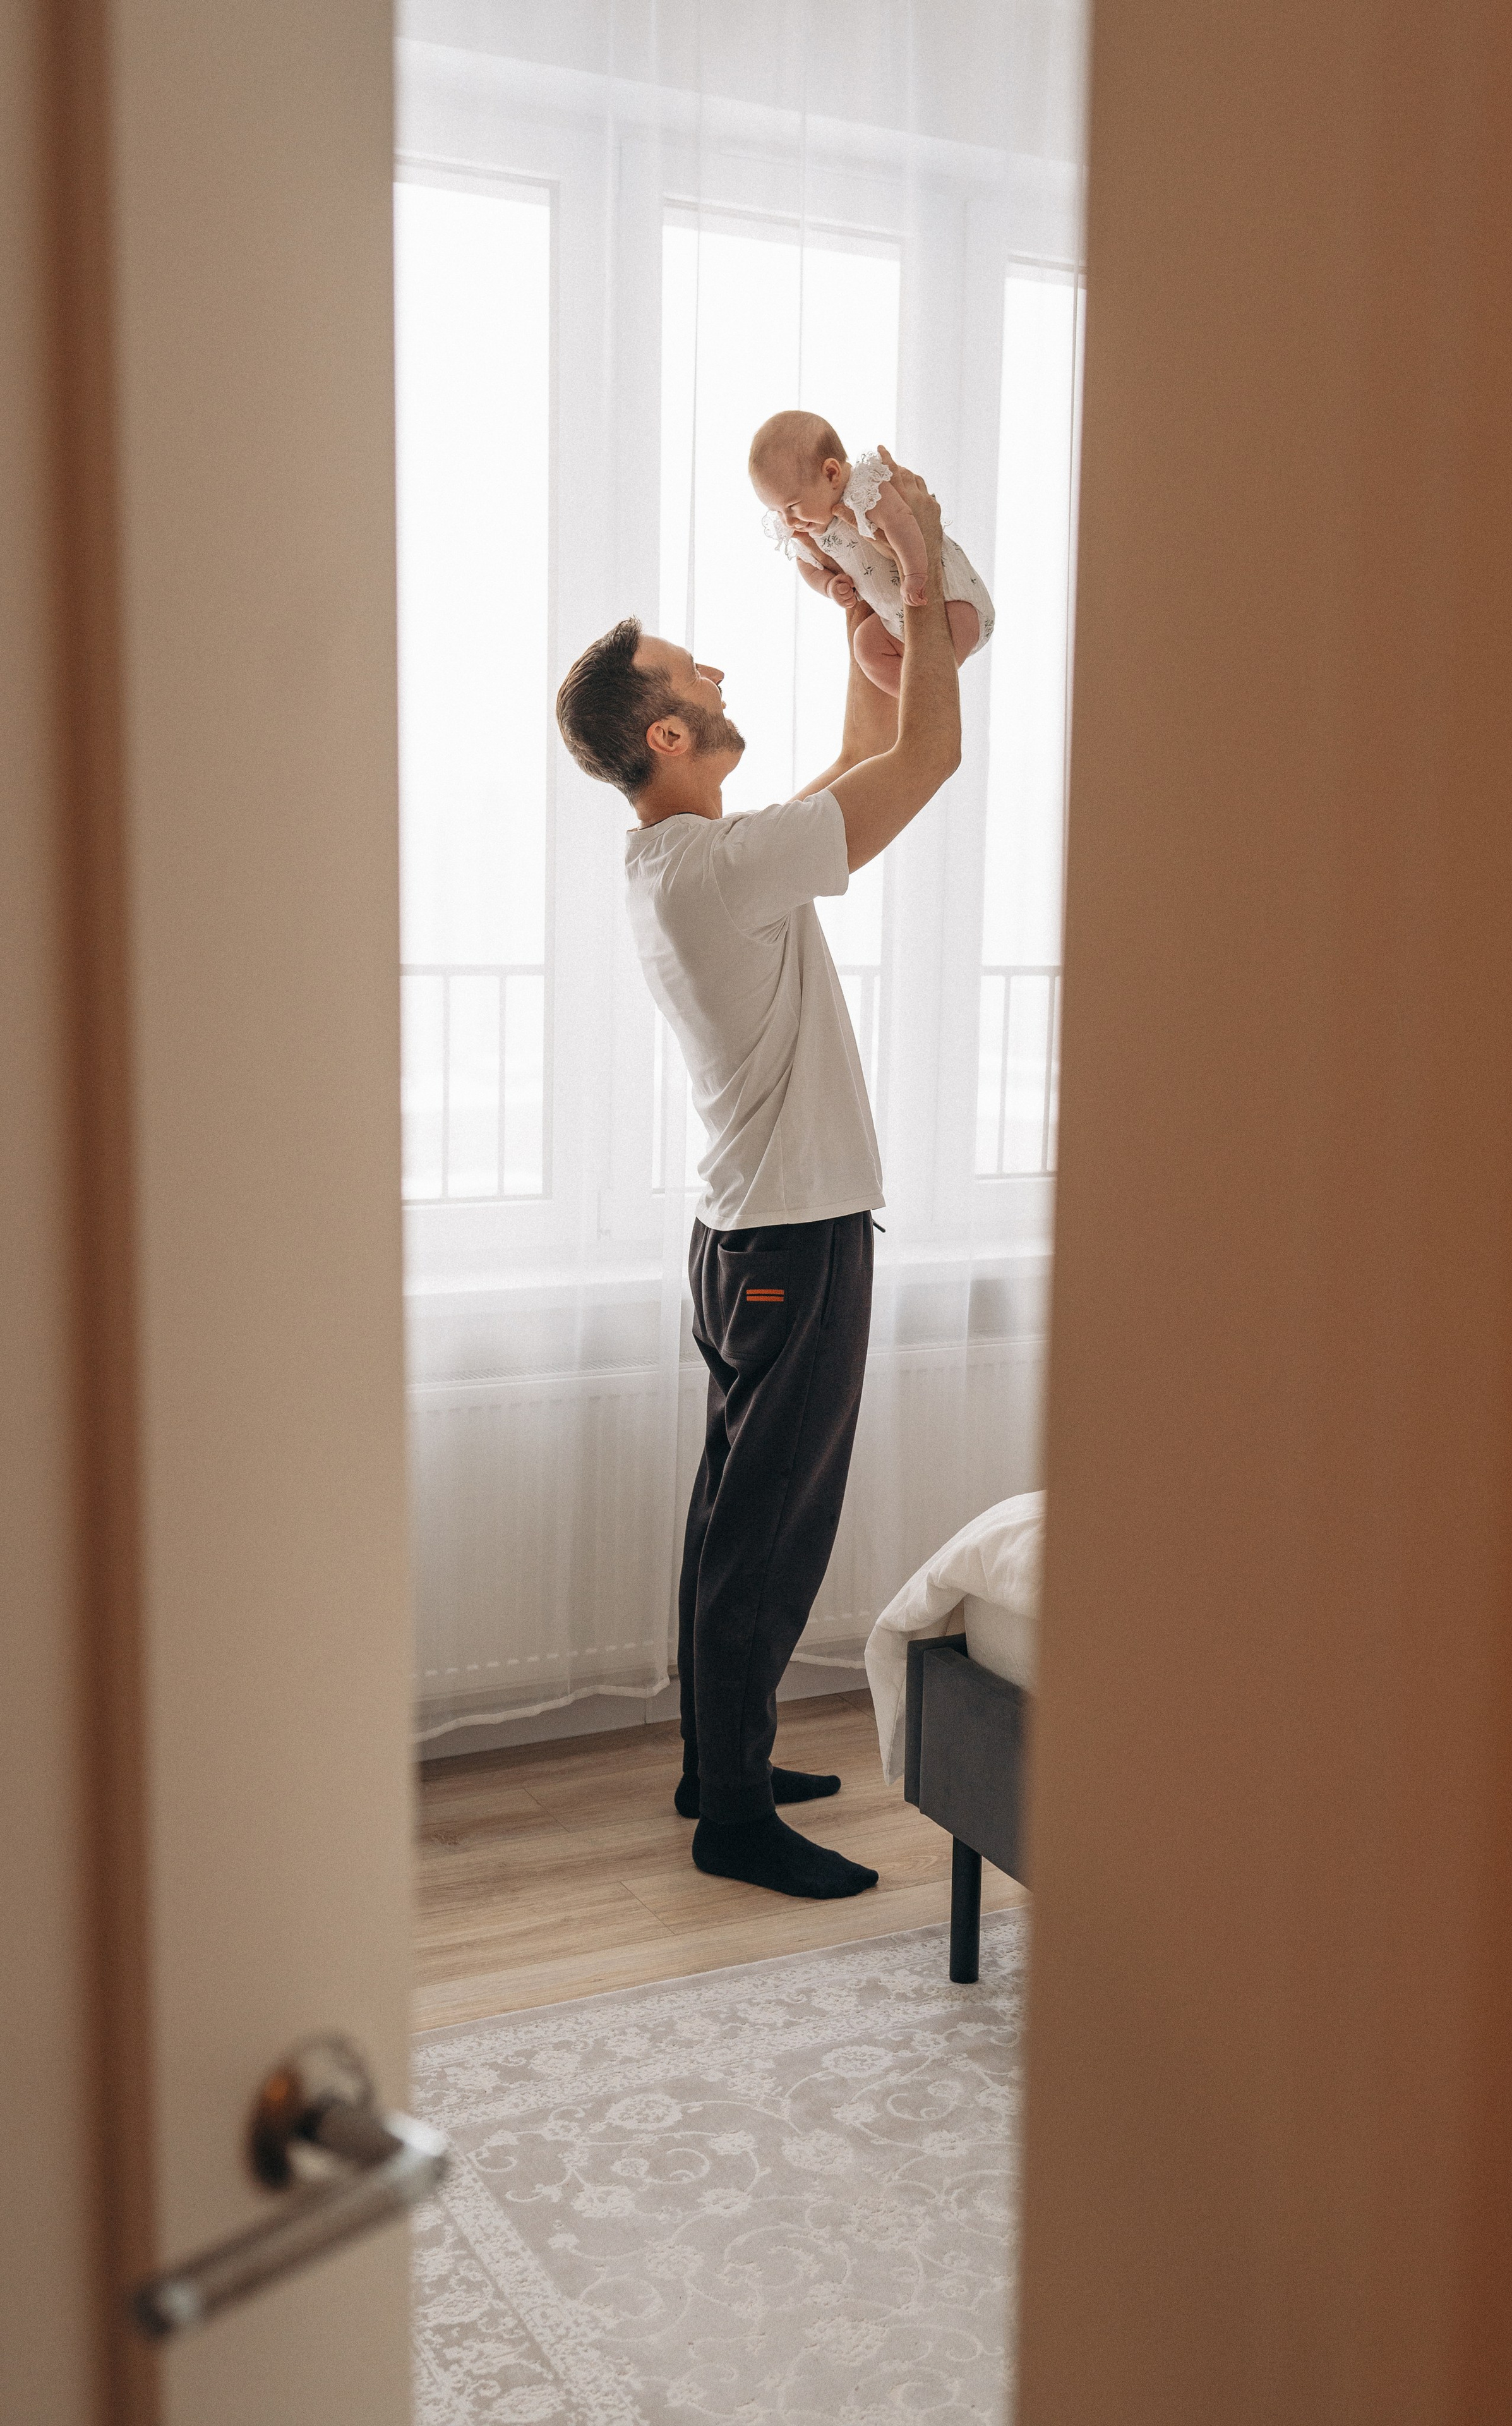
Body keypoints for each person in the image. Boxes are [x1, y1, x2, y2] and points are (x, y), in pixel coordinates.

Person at [555, 459, 961, 1900]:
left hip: (750, 1232)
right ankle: (731, 1810)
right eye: (691, 669)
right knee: (766, 1524)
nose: (718, 666)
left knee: (735, 1509)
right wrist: (912, 592)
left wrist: (873, 652)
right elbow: (918, 773)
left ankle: (711, 1761)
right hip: (787, 1229)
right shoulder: (715, 870)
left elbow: (850, 784)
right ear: (667, 729)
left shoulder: (690, 858)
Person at [748, 412, 993, 697]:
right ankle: (918, 699)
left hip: (951, 598)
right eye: (776, 511)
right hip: (895, 619)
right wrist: (828, 586)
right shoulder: (807, 530)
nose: (788, 521)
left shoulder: (862, 491)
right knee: (865, 645)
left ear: (831, 474)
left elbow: (902, 522)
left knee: (939, 656)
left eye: (792, 505)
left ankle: (937, 687)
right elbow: (808, 566)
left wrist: (915, 574)